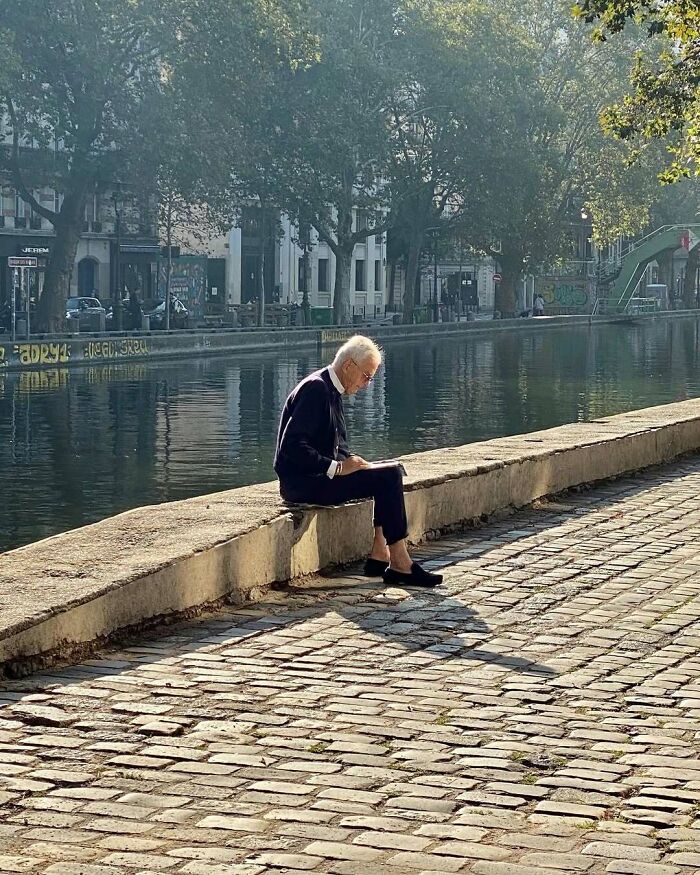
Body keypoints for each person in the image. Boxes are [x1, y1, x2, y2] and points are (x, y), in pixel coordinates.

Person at [274, 335, 443, 587]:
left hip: (318, 477)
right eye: (366, 376)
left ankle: (380, 552)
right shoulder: (316, 390)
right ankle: (399, 562)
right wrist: (339, 468)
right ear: (348, 366)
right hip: (304, 484)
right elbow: (292, 447)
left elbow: (333, 445)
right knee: (389, 477)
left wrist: (353, 464)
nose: (367, 384)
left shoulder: (330, 389)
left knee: (388, 472)